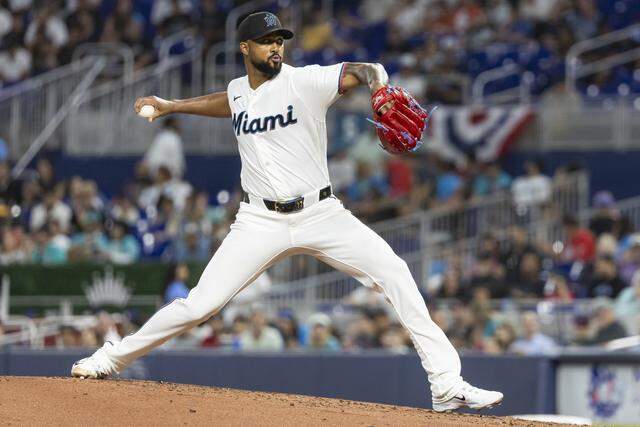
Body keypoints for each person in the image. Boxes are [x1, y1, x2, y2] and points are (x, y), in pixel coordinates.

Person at [71, 11, 502, 412]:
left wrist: (378, 87)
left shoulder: (306, 81)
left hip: (321, 213)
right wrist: (172, 106)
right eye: (265, 42)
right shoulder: (241, 91)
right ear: (245, 49)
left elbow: (364, 69)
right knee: (199, 305)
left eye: (279, 40)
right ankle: (110, 358)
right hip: (259, 221)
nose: (275, 48)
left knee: (394, 272)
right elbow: (229, 100)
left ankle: (446, 383)